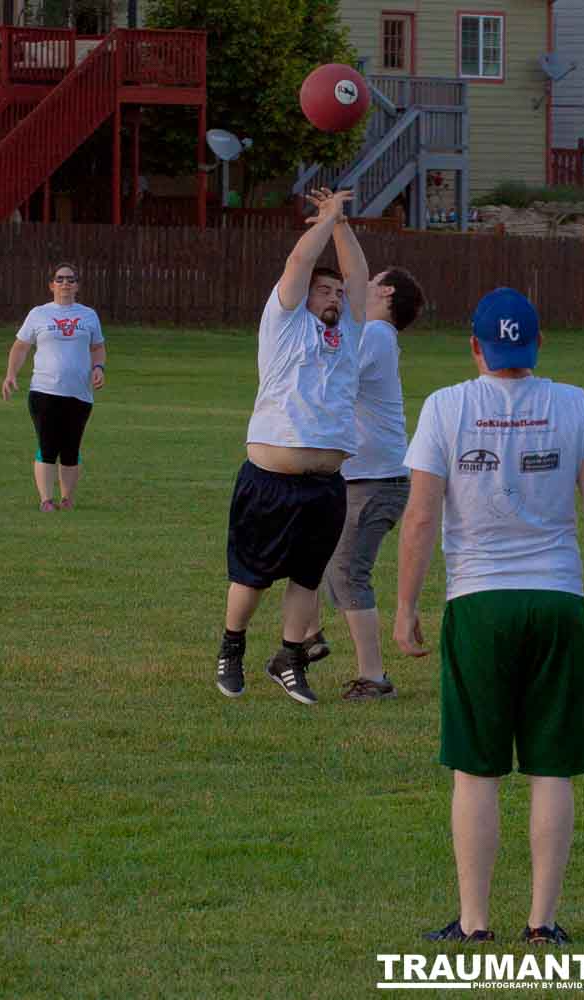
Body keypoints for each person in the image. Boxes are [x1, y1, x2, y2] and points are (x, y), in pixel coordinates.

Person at [394, 287, 584, 945]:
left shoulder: (446, 406)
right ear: (537, 344)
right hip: (556, 599)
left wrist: (407, 606)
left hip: (477, 603)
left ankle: (472, 924)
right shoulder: (573, 402)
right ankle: (541, 922)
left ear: (474, 346)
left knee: (477, 769)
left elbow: (418, 516)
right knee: (550, 767)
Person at [215, 187, 368, 706]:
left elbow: (360, 278)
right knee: (253, 578)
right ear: (304, 296)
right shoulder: (283, 323)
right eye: (324, 291)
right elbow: (300, 259)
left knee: (307, 577)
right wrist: (323, 222)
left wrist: (342, 225)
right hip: (270, 479)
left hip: (326, 484)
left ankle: (289, 659)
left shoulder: (349, 333)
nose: (334, 297)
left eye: (337, 293)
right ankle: (231, 648)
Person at [303, 267, 425, 701]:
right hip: (361, 477)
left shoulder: (374, 334)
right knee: (319, 559)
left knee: (349, 573)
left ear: (387, 291)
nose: (363, 284)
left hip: (376, 480)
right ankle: (308, 636)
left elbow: (337, 373)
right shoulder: (374, 334)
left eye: (373, 280)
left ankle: (374, 678)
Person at [1, 262, 106, 511]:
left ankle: (67, 498)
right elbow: (21, 346)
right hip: (44, 391)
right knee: (48, 445)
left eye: (70, 279)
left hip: (79, 393)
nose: (65, 283)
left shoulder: (88, 315)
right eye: (59, 279)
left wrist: (99, 368)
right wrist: (10, 374)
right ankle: (46, 500)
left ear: (77, 285)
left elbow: (98, 347)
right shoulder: (39, 314)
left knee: (71, 447)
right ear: (51, 285)